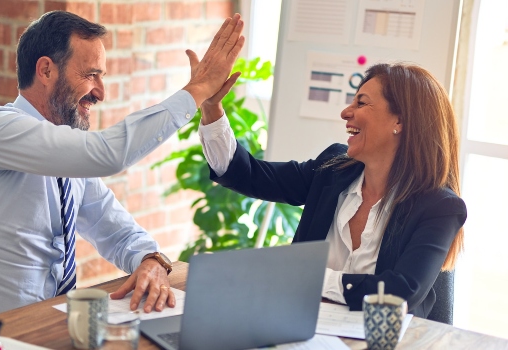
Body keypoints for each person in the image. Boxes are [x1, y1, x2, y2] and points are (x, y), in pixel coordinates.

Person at [0, 10, 244, 325]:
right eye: (91, 74)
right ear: (46, 71)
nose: (101, 92)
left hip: (43, 329)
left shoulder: (68, 159)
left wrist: (151, 259)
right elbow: (109, 154)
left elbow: (116, 229)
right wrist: (198, 90)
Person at [198, 63, 466, 317]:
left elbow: (399, 294)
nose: (346, 112)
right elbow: (249, 175)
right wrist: (212, 108)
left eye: (361, 103)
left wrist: (309, 277)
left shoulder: (439, 207)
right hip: (302, 331)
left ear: (400, 121)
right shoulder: (332, 170)